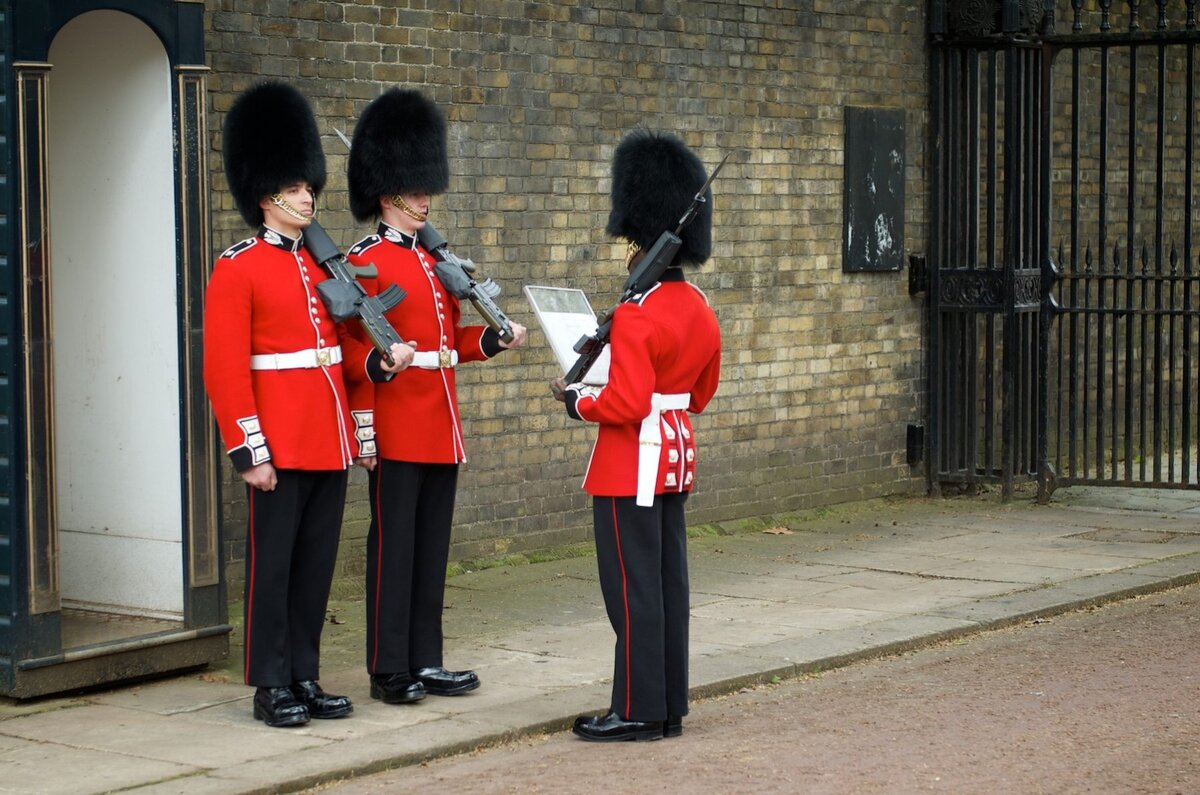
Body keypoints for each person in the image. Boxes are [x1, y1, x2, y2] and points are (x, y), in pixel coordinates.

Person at [204, 81, 380, 727]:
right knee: (271, 569)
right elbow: (224, 370)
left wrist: (374, 377)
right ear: (267, 193)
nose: (309, 195)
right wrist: (249, 448)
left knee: (314, 568)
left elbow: (342, 353)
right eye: (297, 186)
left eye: (311, 186)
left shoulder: (322, 266)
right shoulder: (238, 267)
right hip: (277, 438)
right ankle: (269, 682)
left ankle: (305, 673)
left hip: (327, 438)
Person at [343, 87, 527, 705]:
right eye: (415, 190)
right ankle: (388, 666)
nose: (425, 199)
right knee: (394, 552)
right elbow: (358, 358)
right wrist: (365, 429)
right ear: (387, 193)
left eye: (426, 189)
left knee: (430, 551)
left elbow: (449, 344)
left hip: (441, 426)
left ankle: (426, 658)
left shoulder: (432, 261)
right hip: (398, 426)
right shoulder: (365, 264)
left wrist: (496, 341)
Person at [551, 130, 722, 742]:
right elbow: (701, 394)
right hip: (675, 456)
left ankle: (636, 709)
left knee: (629, 592)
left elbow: (622, 402)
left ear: (638, 242)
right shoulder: (698, 305)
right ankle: (667, 703)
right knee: (668, 585)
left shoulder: (637, 313)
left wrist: (579, 403)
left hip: (630, 463)